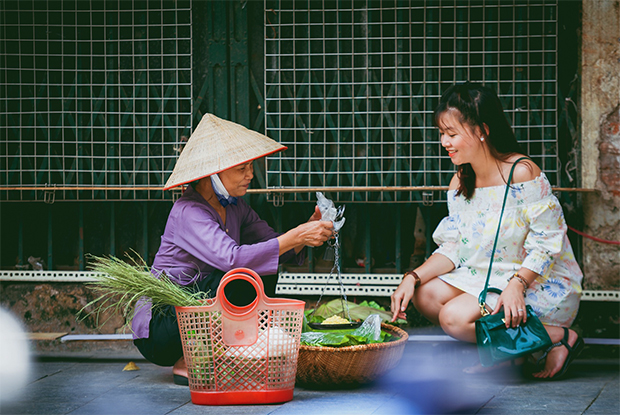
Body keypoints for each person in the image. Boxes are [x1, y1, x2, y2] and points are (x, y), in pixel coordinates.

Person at [390, 83, 584, 380]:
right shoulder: (460, 181)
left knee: (453, 318)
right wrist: (411, 277)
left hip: (535, 279)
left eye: (452, 133)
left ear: (482, 130)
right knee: (425, 294)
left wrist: (517, 284)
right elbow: (455, 246)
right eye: (442, 133)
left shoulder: (521, 172)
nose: (444, 142)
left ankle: (559, 336)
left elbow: (547, 243)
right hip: (487, 274)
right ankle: (508, 355)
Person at [132, 113, 334, 385]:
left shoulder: (236, 207)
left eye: (251, 166)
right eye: (242, 168)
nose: (251, 175)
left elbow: (274, 247)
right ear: (213, 173)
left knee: (261, 271)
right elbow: (232, 259)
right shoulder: (188, 212)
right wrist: (295, 236)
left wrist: (305, 232)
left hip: (195, 315)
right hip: (163, 327)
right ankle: (192, 358)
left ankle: (223, 351)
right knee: (236, 276)